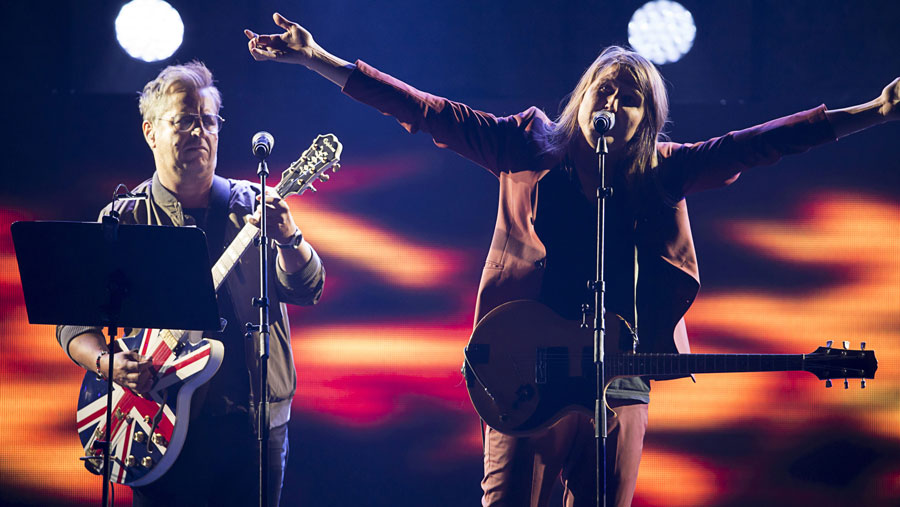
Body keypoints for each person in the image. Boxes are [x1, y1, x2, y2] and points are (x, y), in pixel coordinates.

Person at [245, 12, 899, 507]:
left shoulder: (662, 172)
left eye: (630, 97)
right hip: (520, 366)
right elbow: (424, 111)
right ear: (582, 96)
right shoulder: (526, 144)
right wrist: (319, 60)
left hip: (618, 375)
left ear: (648, 118)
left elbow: (758, 144)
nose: (612, 105)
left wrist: (870, 112)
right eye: (604, 91)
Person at [56, 61, 326, 507]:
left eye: (208, 121)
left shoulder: (252, 205)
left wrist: (289, 238)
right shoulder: (125, 219)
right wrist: (108, 365)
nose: (199, 131)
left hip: (254, 428)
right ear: (150, 132)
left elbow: (307, 288)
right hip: (154, 424)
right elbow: (72, 323)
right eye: (184, 120)